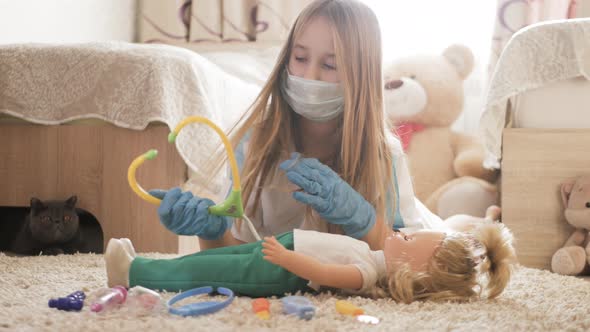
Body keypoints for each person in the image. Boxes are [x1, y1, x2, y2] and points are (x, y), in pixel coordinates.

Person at [148, 0, 447, 252]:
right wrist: (210, 232)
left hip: (426, 228)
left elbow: (409, 255)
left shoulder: (383, 156)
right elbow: (238, 256)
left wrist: (362, 219)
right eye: (300, 58)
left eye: (330, 65)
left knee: (460, 235)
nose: (310, 76)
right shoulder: (254, 145)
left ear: (362, 77)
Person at [104, 208, 516, 303]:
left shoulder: (366, 274)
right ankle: (144, 264)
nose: (400, 235)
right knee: (199, 263)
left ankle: (131, 273)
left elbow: (323, 272)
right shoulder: (369, 254)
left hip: (278, 270)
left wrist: (286, 261)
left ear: (411, 271)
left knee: (208, 271)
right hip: (282, 247)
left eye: (408, 242)